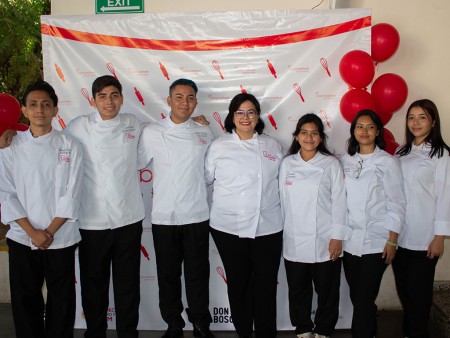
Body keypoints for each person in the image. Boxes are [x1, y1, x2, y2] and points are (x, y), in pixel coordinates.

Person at [0, 81, 83, 337]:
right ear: (24, 110)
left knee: (62, 300)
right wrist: (32, 232)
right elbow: (6, 193)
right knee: (25, 300)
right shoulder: (9, 147)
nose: (40, 110)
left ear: (56, 110)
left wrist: (47, 231)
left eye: (46, 104)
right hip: (22, 236)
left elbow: (72, 193)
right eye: (33, 104)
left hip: (61, 236)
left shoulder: (71, 145)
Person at [139, 78, 214, 338]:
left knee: (197, 276)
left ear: (196, 102)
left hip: (196, 215)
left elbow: (208, 172)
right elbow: (135, 163)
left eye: (190, 97)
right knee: (168, 276)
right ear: (169, 100)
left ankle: (201, 324)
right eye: (179, 97)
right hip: (163, 217)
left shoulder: (204, 131)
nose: (185, 102)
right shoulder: (151, 132)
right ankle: (173, 324)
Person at [204, 93, 283, 338]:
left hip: (268, 227)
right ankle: (244, 333)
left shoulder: (273, 145)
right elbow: (206, 179)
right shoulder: (219, 145)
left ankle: (266, 333)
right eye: (239, 112)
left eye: (251, 112)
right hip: (228, 227)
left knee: (266, 285)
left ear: (258, 116)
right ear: (232, 116)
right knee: (238, 284)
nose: (245, 117)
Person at [279, 114, 350, 338]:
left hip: (325, 239)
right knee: (298, 289)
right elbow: (282, 202)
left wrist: (337, 237)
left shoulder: (331, 164)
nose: (309, 137)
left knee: (327, 290)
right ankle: (302, 328)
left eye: (314, 133)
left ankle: (324, 329)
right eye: (304, 132)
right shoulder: (287, 163)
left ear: (321, 138)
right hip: (294, 239)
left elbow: (340, 202)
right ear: (297, 136)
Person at [339, 110, 406, 338]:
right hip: (349, 242)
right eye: (360, 126)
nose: (364, 131)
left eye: (369, 127)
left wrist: (392, 240)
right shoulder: (345, 161)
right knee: (357, 297)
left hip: (378, 241)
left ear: (378, 131)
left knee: (364, 297)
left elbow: (397, 203)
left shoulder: (388, 162)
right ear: (353, 131)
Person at [393, 99, 450, 338]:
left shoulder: (441, 154)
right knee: (405, 290)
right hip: (399, 235)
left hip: (425, 237)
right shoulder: (400, 152)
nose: (415, 123)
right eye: (411, 117)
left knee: (419, 294)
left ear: (433, 121)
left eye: (422, 117)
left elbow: (445, 196)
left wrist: (439, 238)